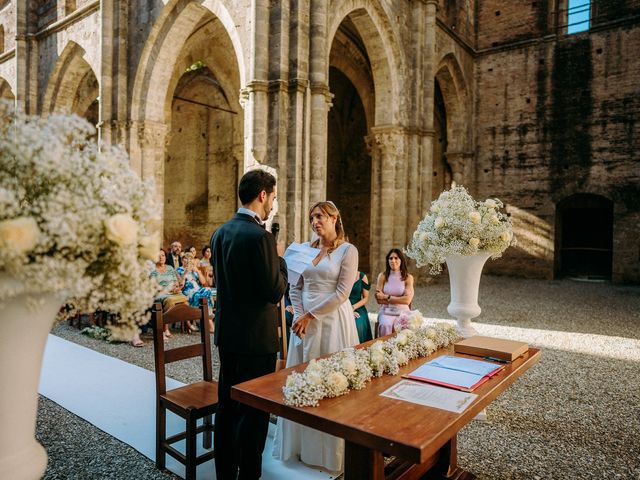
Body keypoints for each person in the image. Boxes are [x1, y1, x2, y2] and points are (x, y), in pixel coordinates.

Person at [211, 169, 288, 480]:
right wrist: (280, 260)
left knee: (227, 408)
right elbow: (274, 291)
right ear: (262, 195)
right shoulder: (262, 238)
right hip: (257, 341)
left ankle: (225, 473)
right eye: (272, 197)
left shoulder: (220, 232)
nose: (272, 204)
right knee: (253, 415)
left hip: (228, 335)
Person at [274, 201, 359, 473]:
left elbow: (342, 293)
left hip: (333, 322)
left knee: (331, 380)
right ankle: (299, 447)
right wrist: (299, 315)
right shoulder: (303, 250)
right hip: (304, 324)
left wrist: (310, 316)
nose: (315, 222)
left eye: (320, 216)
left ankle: (330, 454)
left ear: (335, 218)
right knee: (302, 378)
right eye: (312, 217)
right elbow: (295, 286)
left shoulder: (348, 251)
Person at [375, 248, 414, 337]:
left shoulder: (408, 277)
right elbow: (378, 299)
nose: (393, 260)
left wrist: (386, 297)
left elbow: (407, 300)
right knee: (385, 324)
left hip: (403, 310)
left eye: (396, 258)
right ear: (387, 261)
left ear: (401, 260)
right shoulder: (382, 276)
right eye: (390, 258)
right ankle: (384, 348)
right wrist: (400, 299)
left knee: (402, 325)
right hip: (386, 310)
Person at [176, 252, 216, 333]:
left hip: (198, 289)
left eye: (190, 259)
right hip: (188, 292)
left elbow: (204, 282)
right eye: (186, 258)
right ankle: (209, 322)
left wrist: (197, 271)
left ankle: (206, 320)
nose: (188, 260)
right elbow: (180, 285)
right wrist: (185, 272)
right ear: (182, 260)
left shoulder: (194, 270)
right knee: (205, 293)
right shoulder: (178, 270)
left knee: (207, 290)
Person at [349, 270, 372, 343]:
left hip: (357, 306)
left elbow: (366, 298)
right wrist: (348, 310)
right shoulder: (340, 274)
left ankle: (360, 350)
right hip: (342, 306)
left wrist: (352, 308)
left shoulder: (362, 276)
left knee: (358, 323)